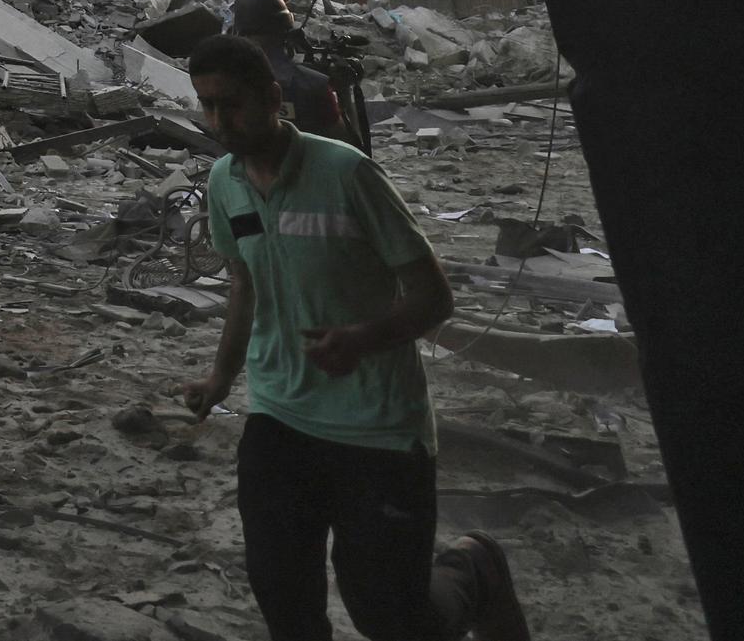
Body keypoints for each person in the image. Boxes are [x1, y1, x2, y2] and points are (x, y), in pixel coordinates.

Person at [177, 33, 526, 641]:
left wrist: (361, 341)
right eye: (205, 105)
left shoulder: (346, 172)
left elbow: (434, 297)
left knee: (393, 618)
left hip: (377, 427)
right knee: (286, 604)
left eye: (229, 104)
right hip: (279, 415)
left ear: (271, 97)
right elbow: (245, 285)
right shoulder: (224, 184)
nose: (217, 121)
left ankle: (475, 569)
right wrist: (221, 376)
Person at [226, 0, 352, 142]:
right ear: (286, 33)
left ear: (239, 36)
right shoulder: (314, 85)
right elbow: (344, 143)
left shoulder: (227, 85)